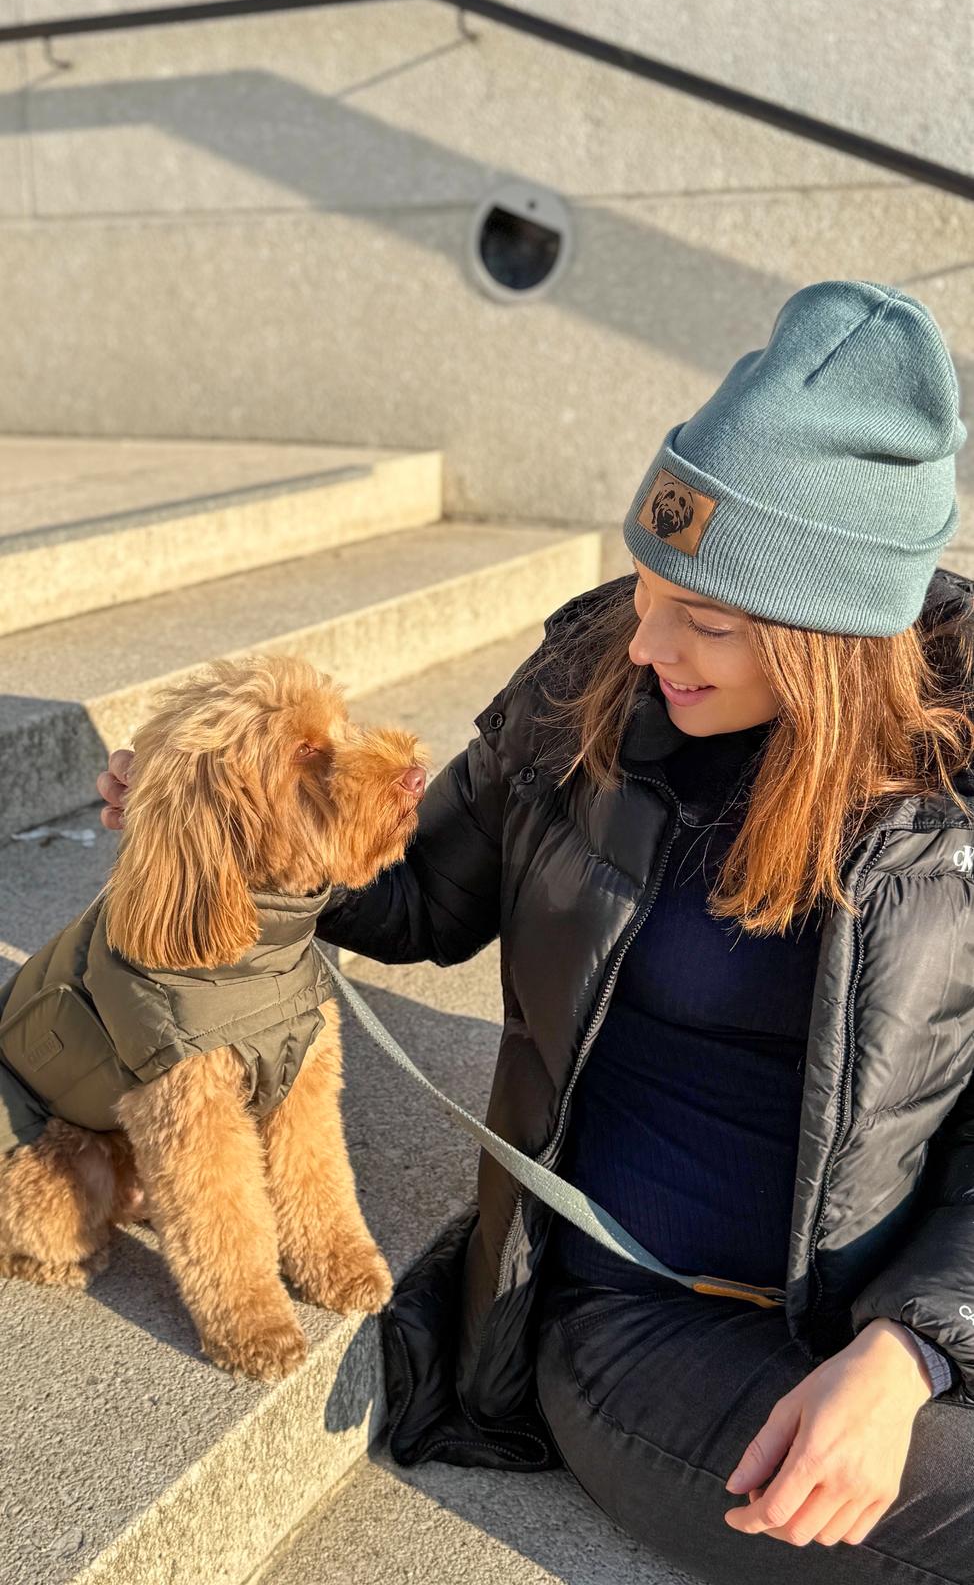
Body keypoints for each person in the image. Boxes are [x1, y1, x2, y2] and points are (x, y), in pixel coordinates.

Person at [98, 280, 974, 1580]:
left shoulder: (950, 778)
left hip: (903, 1297)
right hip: (643, 1308)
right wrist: (250, 840)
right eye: (646, 586)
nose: (647, 642)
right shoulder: (587, 683)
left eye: (708, 621)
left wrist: (914, 1347)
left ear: (835, 639)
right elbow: (417, 899)